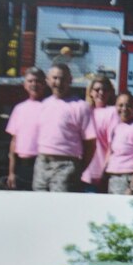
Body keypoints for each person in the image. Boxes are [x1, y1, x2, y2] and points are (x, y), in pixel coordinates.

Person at [33, 63, 94, 192]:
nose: (59, 83)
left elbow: (90, 144)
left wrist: (79, 168)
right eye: (55, 78)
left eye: (63, 79)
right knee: (38, 204)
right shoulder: (44, 104)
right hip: (42, 162)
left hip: (66, 165)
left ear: (70, 80)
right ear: (48, 80)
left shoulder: (80, 106)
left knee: (60, 206)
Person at [101, 92, 133, 196]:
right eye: (120, 105)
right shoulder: (116, 128)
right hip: (114, 179)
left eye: (128, 105)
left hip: (128, 179)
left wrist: (132, 187)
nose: (124, 109)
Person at [5, 67, 47, 190]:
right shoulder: (19, 109)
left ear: (44, 84)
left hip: (42, 164)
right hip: (22, 166)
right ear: (24, 85)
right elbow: (14, 141)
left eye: (38, 81)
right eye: (30, 81)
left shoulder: (48, 107)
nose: (34, 84)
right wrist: (11, 172)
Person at [81, 77, 119, 192]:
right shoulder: (85, 110)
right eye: (97, 90)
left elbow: (111, 146)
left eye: (105, 90)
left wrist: (104, 171)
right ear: (91, 92)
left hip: (100, 175)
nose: (101, 93)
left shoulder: (112, 112)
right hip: (82, 173)